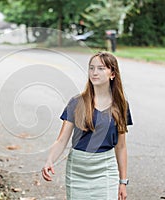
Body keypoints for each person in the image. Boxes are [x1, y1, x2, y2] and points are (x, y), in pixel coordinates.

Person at [42, 52, 133, 200]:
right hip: (78, 170)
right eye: (91, 68)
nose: (94, 73)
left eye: (101, 68)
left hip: (106, 169)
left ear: (112, 74)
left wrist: (123, 182)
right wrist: (49, 160)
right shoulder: (76, 103)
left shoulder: (121, 106)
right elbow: (62, 140)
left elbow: (121, 146)